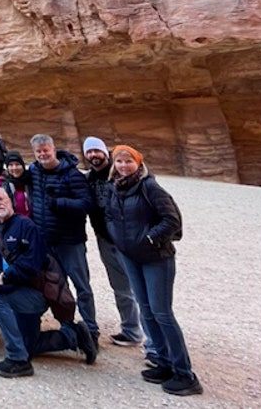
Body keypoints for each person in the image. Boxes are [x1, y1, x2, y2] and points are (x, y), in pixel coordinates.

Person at [102, 145, 202, 396]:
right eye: (119, 162)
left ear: (138, 163)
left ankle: (185, 374)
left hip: (156, 259)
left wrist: (149, 239)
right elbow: (111, 217)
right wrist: (119, 240)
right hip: (130, 258)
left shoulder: (150, 187)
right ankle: (164, 363)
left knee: (162, 313)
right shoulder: (115, 187)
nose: (123, 166)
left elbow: (172, 220)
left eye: (128, 161)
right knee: (146, 311)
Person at [0, 187, 96, 378]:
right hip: (17, 291)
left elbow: (31, 266)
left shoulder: (26, 226)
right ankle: (73, 336)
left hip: (35, 293)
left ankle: (18, 359)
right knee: (29, 345)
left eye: (2, 199)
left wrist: (3, 280)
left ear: (11, 201)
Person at [28, 134, 98, 344]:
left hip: (70, 241)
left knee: (81, 285)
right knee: (56, 286)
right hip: (47, 241)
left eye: (45, 150)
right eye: (38, 152)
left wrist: (59, 203)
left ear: (53, 148)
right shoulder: (35, 172)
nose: (43, 154)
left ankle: (91, 331)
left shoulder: (72, 175)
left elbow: (86, 204)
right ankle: (68, 325)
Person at [82, 136, 143, 348]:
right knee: (121, 287)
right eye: (89, 152)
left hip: (128, 240)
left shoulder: (121, 174)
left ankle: (154, 342)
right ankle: (132, 330)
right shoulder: (89, 179)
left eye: (96, 151)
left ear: (105, 152)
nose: (93, 155)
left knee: (141, 288)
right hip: (105, 240)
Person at [0, 152, 33, 234]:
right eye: (11, 165)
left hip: (30, 225)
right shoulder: (0, 183)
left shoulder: (30, 180)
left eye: (17, 164)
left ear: (22, 165)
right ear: (7, 168)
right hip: (9, 226)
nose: (14, 168)